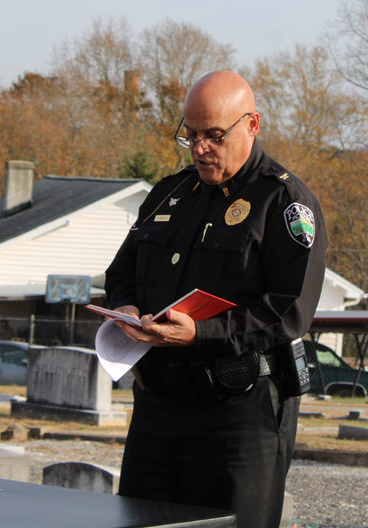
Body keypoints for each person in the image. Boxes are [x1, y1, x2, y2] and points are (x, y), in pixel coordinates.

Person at [103, 70, 327, 528]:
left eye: (214, 135)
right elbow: (121, 272)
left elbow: (289, 311)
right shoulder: (169, 193)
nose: (200, 147)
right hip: (156, 409)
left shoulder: (284, 202)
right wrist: (124, 307)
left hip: (235, 417)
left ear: (253, 124)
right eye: (190, 134)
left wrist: (200, 334)